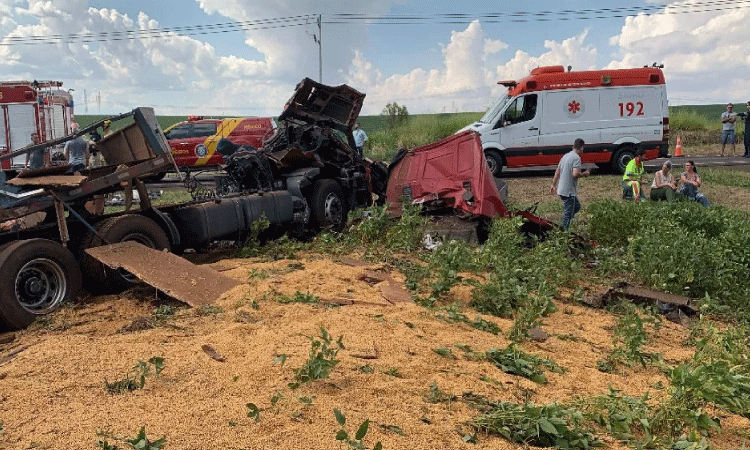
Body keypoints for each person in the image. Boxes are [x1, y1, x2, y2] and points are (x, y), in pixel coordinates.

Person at [550, 138, 591, 230]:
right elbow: (575, 174)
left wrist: (553, 185)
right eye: (583, 148)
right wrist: (584, 174)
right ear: (581, 148)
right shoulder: (576, 158)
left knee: (577, 206)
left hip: (562, 190)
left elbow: (557, 171)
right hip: (568, 192)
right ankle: (562, 233)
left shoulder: (565, 156)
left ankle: (563, 222)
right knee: (568, 214)